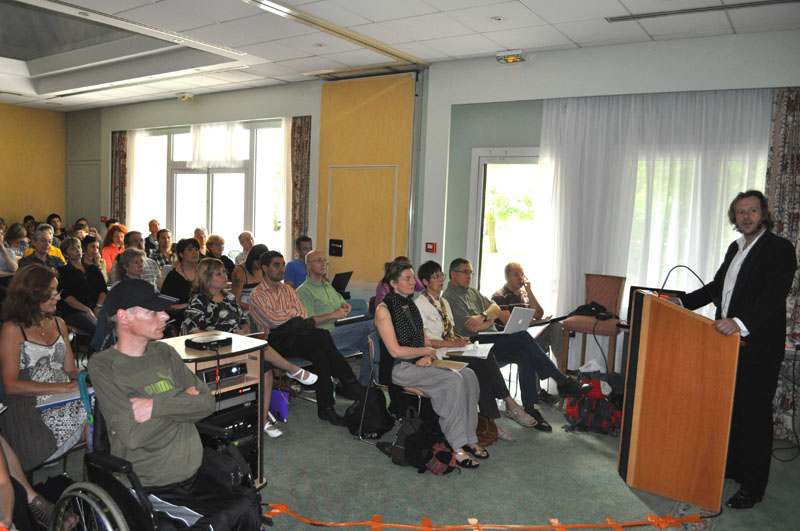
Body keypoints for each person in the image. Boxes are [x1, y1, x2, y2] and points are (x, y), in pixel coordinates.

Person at [87, 280, 260, 530]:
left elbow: (206, 402)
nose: (165, 316)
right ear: (124, 317)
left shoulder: (165, 352)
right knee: (220, 520)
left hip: (194, 470)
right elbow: (133, 436)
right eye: (153, 311)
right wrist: (183, 403)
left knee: (246, 507)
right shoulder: (104, 365)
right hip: (153, 483)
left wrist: (155, 406)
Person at [671, 190, 796, 509]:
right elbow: (717, 287)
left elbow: (773, 294)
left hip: (758, 346)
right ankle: (735, 469)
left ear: (763, 213)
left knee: (754, 415)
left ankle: (753, 487)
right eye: (740, 212)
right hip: (728, 345)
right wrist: (682, 302)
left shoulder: (780, 248)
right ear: (734, 218)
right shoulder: (735, 247)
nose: (746, 217)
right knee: (732, 410)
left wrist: (739, 322)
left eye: (752, 210)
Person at [181, 259, 317, 437]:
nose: (225, 276)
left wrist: (244, 332)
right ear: (206, 278)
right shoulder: (198, 300)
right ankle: (293, 370)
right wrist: (228, 336)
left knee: (265, 368)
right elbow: (193, 330)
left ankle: (263, 420)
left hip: (237, 344)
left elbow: (243, 320)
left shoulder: (229, 297)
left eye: (224, 272)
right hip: (213, 349)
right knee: (262, 348)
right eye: (219, 273)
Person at [442, 258, 591, 421]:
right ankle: (562, 380)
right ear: (453, 274)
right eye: (465, 272)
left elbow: (495, 309)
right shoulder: (449, 297)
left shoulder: (473, 292)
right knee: (523, 337)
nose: (469, 276)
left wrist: (484, 316)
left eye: (470, 272)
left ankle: (530, 407)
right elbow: (472, 328)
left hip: (492, 340)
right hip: (475, 344)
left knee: (524, 354)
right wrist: (489, 319)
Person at [375, 259, 485, 468]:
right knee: (452, 381)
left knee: (469, 375)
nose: (412, 282)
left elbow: (423, 341)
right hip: (400, 368)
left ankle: (470, 437)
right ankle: (457, 445)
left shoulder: (410, 305)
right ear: (393, 283)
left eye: (412, 278)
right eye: (407, 279)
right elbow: (395, 351)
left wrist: (427, 355)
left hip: (419, 362)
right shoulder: (384, 310)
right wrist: (426, 352)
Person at [414, 261, 537, 436]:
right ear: (425, 282)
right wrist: (453, 344)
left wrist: (460, 340)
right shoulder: (419, 305)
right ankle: (509, 405)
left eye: (441, 275)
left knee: (483, 359)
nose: (441, 279)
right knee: (482, 360)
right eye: (435, 277)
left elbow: (450, 332)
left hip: (451, 348)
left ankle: (490, 422)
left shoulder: (443, 303)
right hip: (437, 354)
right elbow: (426, 342)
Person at [249, 251, 362, 426]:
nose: (282, 269)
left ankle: (327, 409)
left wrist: (291, 317)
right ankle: (350, 383)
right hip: (275, 342)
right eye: (277, 265)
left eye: (283, 264)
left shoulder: (288, 290)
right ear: (265, 268)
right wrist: (292, 316)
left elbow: (302, 314)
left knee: (320, 354)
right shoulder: (257, 294)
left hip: (298, 334)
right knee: (322, 335)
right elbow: (274, 321)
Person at [0, 265, 85, 472]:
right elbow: (10, 385)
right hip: (29, 401)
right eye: (51, 294)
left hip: (62, 395)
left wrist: (85, 381)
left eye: (57, 292)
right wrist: (63, 388)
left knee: (102, 413)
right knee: (93, 425)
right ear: (31, 295)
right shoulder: (12, 329)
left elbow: (71, 370)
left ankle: (91, 480)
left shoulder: (59, 324)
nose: (56, 298)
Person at [296, 250, 374, 385]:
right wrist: (333, 315)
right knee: (374, 324)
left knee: (371, 341)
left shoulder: (327, 285)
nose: (323, 263)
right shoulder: (303, 291)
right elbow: (307, 322)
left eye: (325, 260)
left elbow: (341, 302)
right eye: (318, 260)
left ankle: (366, 387)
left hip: (341, 329)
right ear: (308, 265)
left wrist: (345, 306)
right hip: (326, 335)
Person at [493, 262, 564, 404]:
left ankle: (561, 373)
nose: (521, 278)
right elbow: (509, 322)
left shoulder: (524, 295)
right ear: (506, 277)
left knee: (556, 326)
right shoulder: (499, 296)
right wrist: (534, 322)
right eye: (516, 275)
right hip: (510, 343)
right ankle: (544, 389)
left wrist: (529, 291)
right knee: (529, 349)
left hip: (528, 337)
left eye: (522, 274)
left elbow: (539, 313)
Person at [57, 237, 107, 336]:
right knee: (98, 328)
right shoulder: (62, 272)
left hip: (97, 306)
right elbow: (66, 297)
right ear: (65, 254)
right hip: (75, 311)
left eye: (79, 247)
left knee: (116, 323)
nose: (78, 250)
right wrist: (87, 310)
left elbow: (103, 289)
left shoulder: (93, 268)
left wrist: (98, 306)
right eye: (73, 249)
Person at [161, 238, 200, 315]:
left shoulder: (204, 272)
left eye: (196, 249)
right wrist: (188, 306)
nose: (194, 252)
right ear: (181, 254)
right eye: (190, 250)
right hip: (182, 317)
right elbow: (165, 305)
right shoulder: (173, 276)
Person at [231, 244, 267, 313]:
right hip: (245, 310)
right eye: (258, 263)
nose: (260, 266)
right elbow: (235, 301)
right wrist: (255, 308)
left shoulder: (264, 268)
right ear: (251, 260)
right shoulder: (239, 272)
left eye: (263, 264)